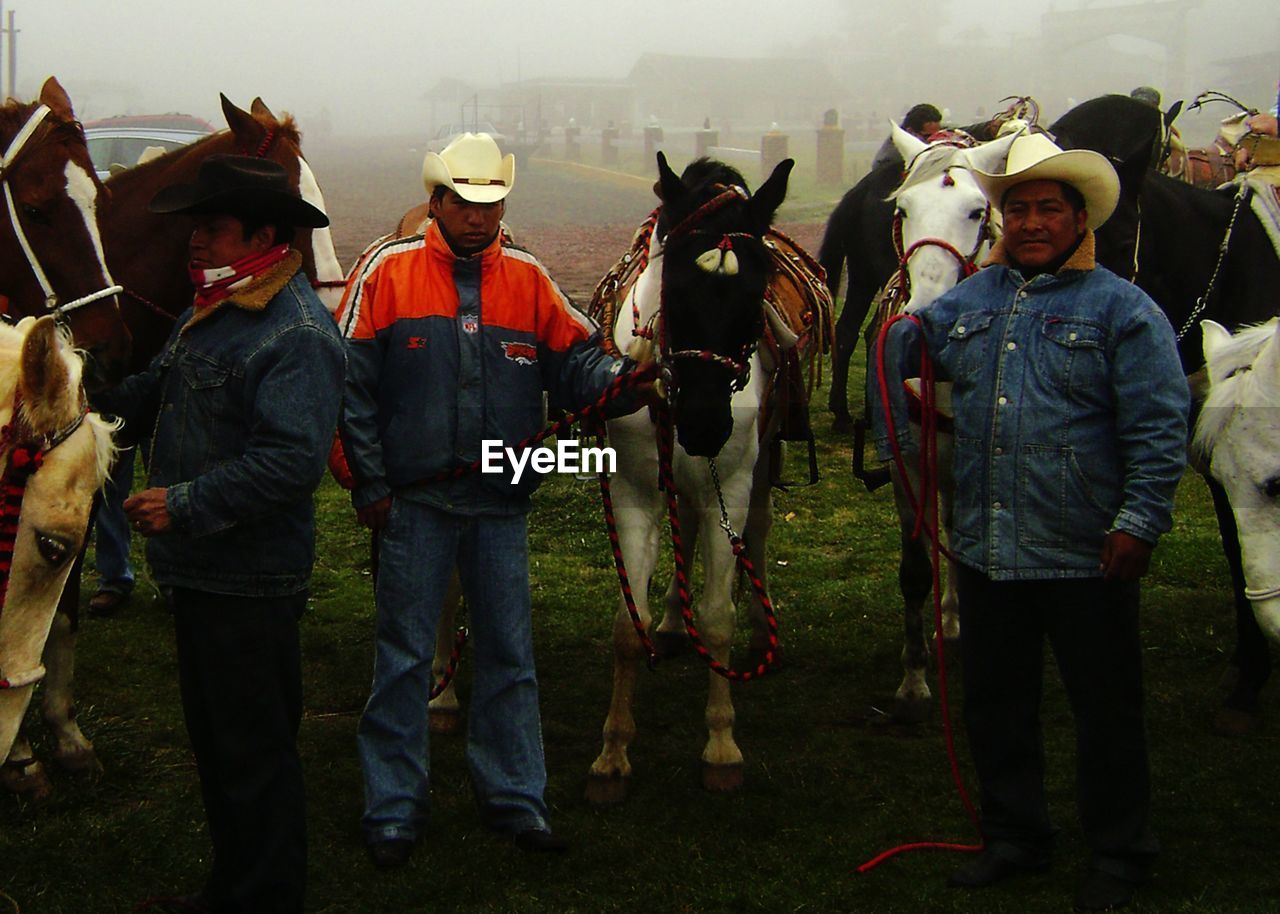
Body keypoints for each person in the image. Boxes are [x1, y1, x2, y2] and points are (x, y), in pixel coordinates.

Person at [872, 133, 1189, 911]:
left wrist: (1140, 522)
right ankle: (1015, 835)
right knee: (996, 705)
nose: (1032, 222)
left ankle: (1120, 849)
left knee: (1105, 708)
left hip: (1087, 547)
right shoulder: (969, 305)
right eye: (1019, 209)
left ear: (1082, 221)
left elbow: (1159, 424)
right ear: (1001, 222)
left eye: (1050, 208)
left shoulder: (1125, 312)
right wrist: (901, 445)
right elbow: (898, 347)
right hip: (987, 548)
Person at [337, 132, 646, 868]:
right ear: (436, 200)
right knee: (405, 658)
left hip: (501, 504)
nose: (480, 216)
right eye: (464, 202)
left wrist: (627, 374)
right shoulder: (386, 273)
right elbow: (347, 381)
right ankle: (393, 810)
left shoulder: (530, 280)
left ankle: (516, 800)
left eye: (492, 202)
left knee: (511, 655)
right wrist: (368, 482)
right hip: (413, 504)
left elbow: (578, 359)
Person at [100, 154, 345, 914]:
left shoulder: (295, 332)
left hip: (249, 581)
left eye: (212, 228)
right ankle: (232, 891)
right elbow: (156, 389)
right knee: (221, 750)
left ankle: (264, 897)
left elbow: (290, 464)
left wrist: (185, 503)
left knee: (254, 758)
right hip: (203, 576)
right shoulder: (212, 308)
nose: (194, 242)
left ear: (263, 234)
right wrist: (76, 406)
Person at [87, 447, 137, 616]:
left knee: (166, 476)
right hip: (119, 422)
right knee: (109, 485)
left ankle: (171, 577)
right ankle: (114, 578)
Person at [870, 102, 944, 172]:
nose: (933, 140)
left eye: (937, 134)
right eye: (928, 136)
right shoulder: (892, 160)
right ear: (910, 132)